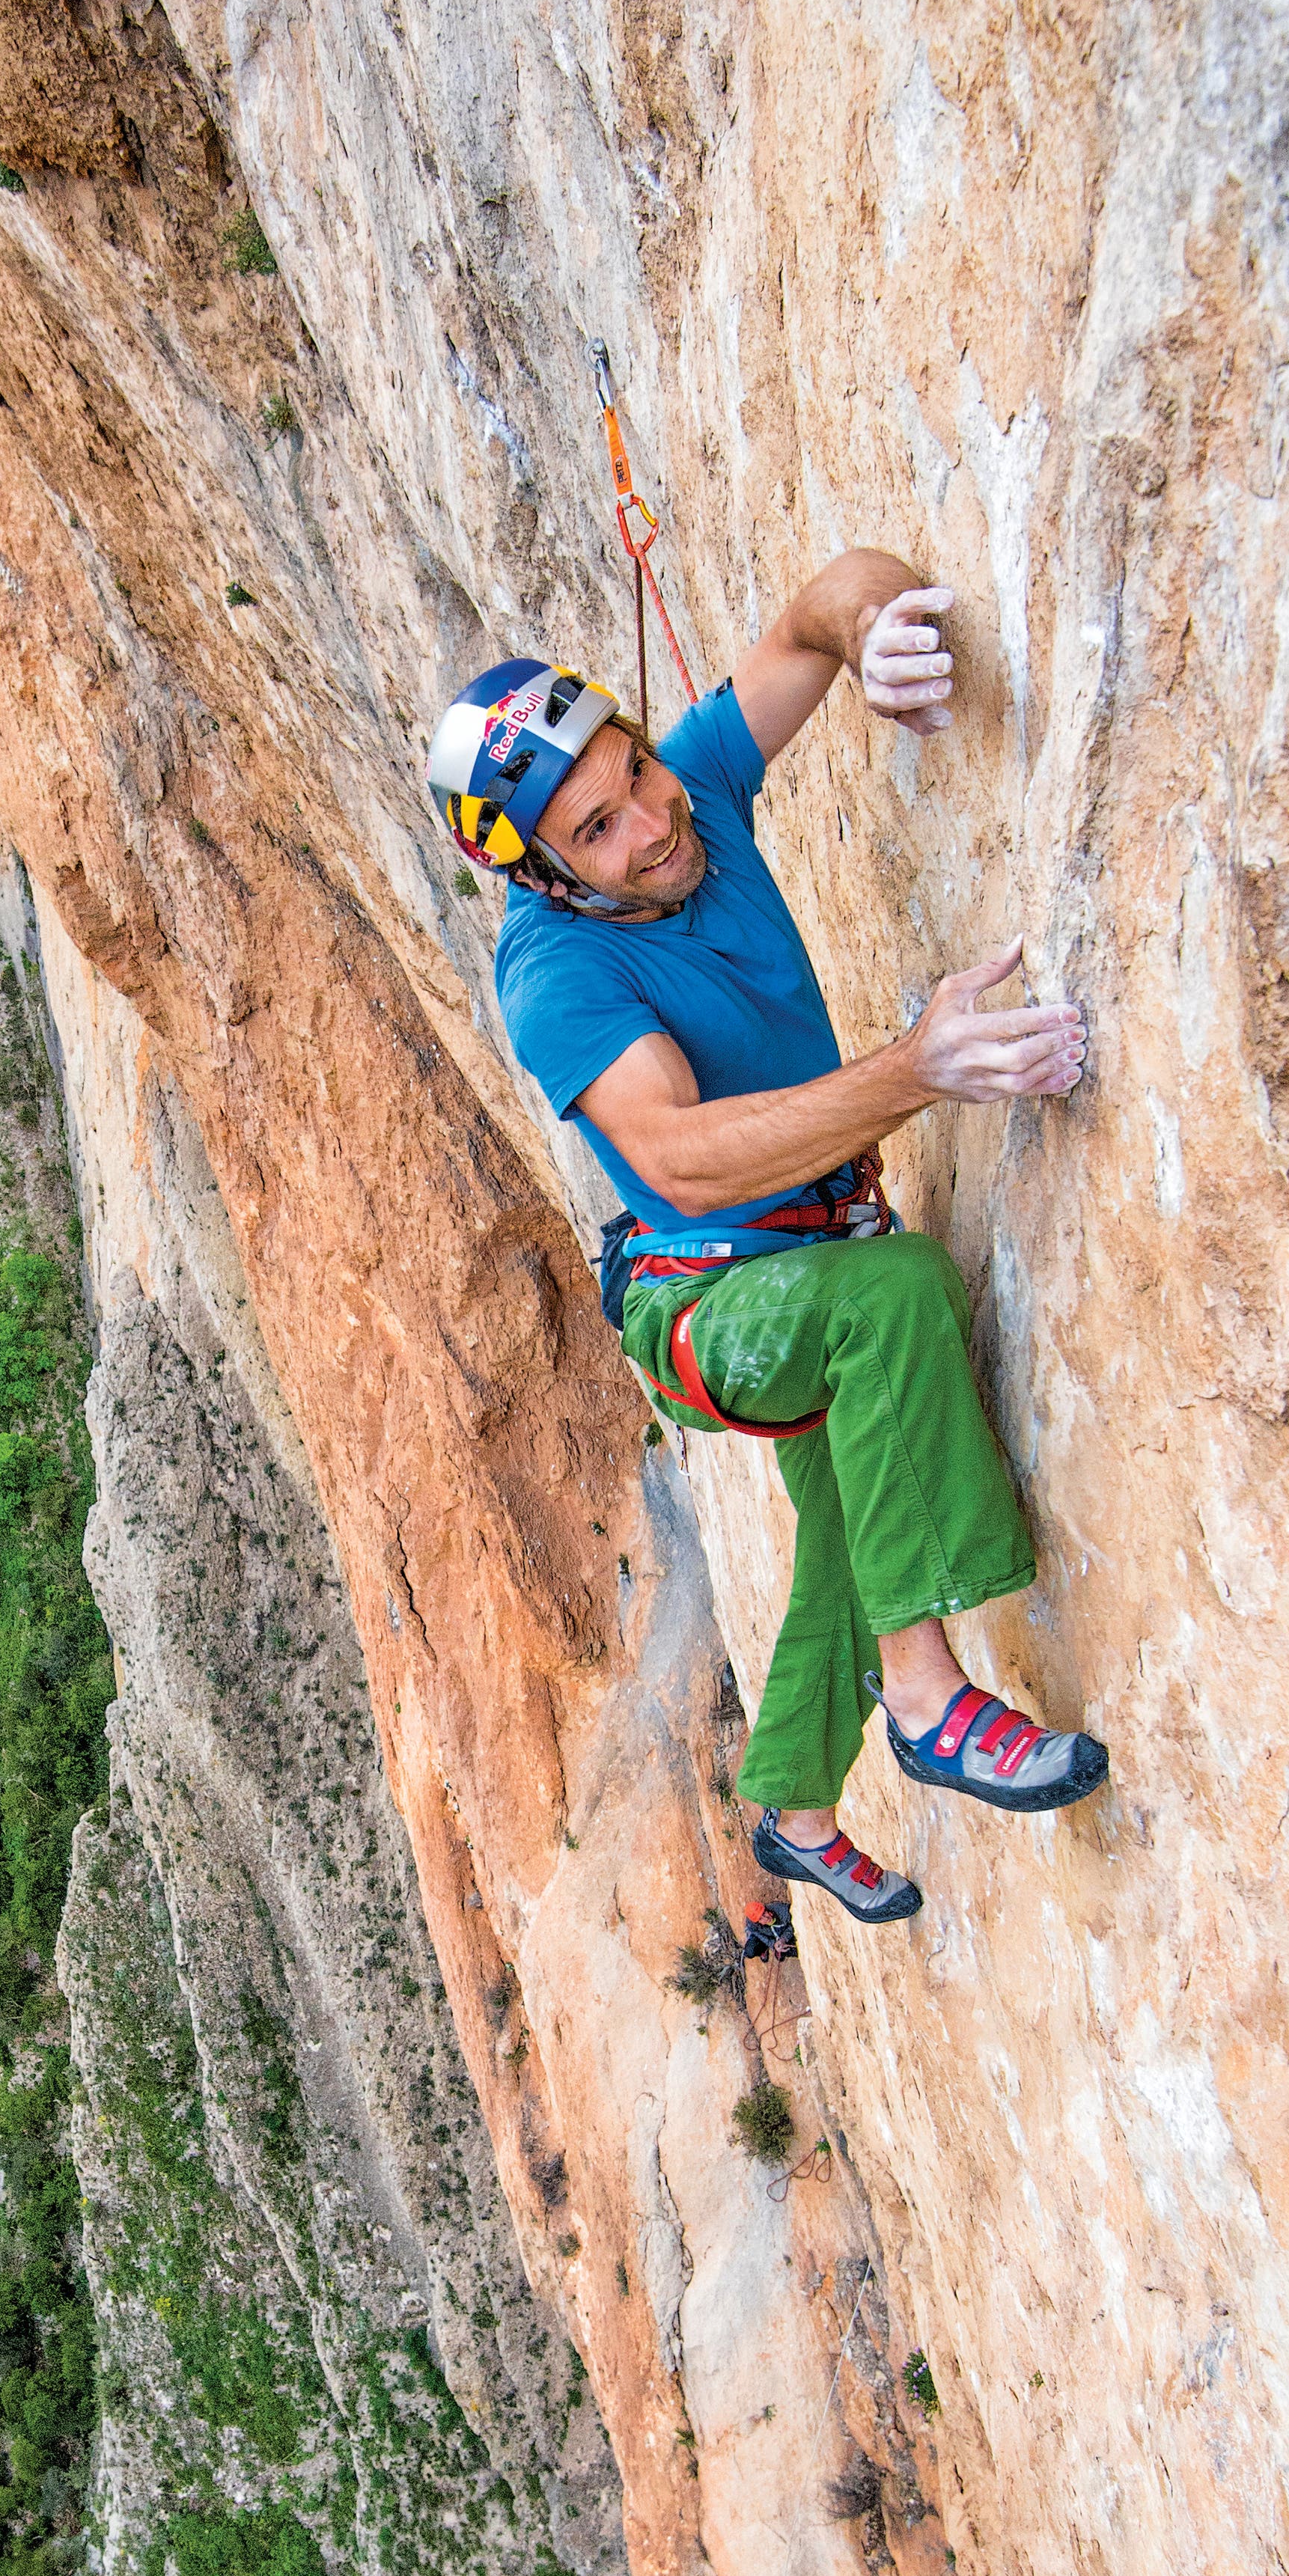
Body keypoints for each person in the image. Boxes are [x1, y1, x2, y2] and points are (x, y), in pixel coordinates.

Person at [426, 558, 1109, 1928]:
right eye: (599, 830)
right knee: (894, 1298)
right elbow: (673, 1153)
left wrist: (876, 636)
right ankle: (926, 1701)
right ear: (545, 872)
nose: (650, 825)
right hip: (710, 1308)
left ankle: (793, 1808)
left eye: (633, 777)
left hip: (802, 1250)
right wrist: (914, 1071)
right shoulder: (555, 977)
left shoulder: (697, 795)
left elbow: (823, 603)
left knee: (858, 1526)